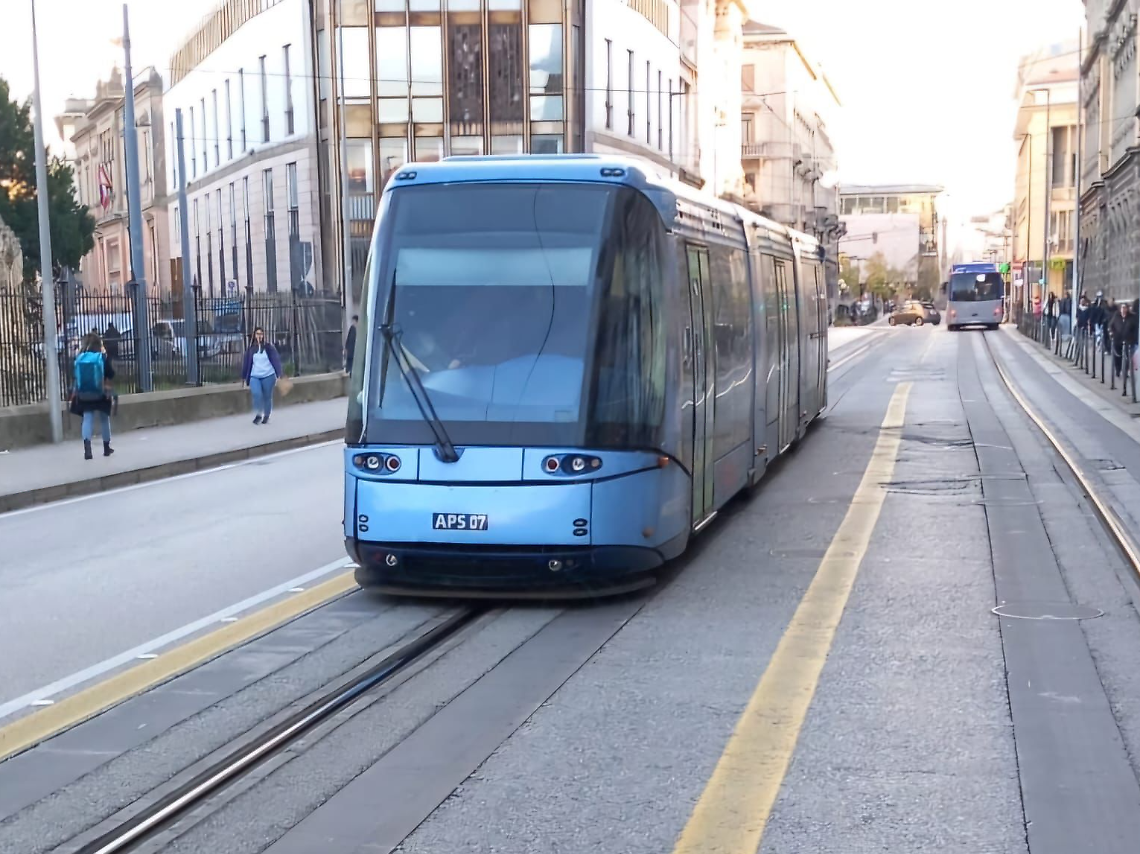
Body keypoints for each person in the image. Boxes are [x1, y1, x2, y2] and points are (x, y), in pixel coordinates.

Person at [71, 332, 115, 460]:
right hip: (100, 393)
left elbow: (75, 377)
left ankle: (87, 450)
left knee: (87, 418)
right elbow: (111, 374)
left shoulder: (80, 358)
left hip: (84, 393)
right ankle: (106, 448)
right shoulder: (101, 358)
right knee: (104, 419)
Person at [241, 327, 283, 424]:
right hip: (254, 376)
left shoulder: (269, 348)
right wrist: (243, 377)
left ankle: (266, 415)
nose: (259, 336)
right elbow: (246, 364)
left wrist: (279, 373)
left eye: (261, 334)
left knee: (267, 396)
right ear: (254, 336)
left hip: (268, 375)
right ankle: (258, 414)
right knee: (257, 394)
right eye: (257, 334)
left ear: (263, 335)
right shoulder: (251, 349)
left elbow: (275, 360)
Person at [1108, 302, 1138, 377]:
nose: (1123, 310)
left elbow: (1135, 329)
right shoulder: (1116, 316)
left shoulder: (1132, 317)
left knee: (1128, 357)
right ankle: (1118, 370)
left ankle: (1125, 371)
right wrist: (1112, 333)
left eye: (1125, 308)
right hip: (1117, 340)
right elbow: (1111, 326)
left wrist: (1134, 339)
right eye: (1122, 308)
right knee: (1118, 356)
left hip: (1129, 340)